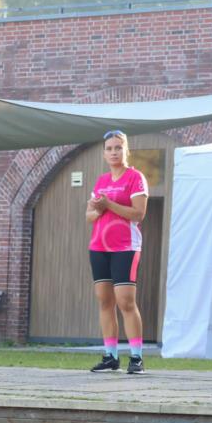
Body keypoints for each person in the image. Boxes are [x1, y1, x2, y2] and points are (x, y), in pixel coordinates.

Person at [86, 131, 150, 375]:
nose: (113, 152)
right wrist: (98, 210)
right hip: (98, 247)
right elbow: (89, 215)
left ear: (126, 150)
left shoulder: (136, 177)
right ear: (104, 153)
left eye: (118, 148)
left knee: (125, 301)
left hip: (125, 247)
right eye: (109, 148)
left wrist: (107, 205)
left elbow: (138, 213)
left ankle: (136, 357)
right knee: (104, 301)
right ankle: (110, 356)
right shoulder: (101, 181)